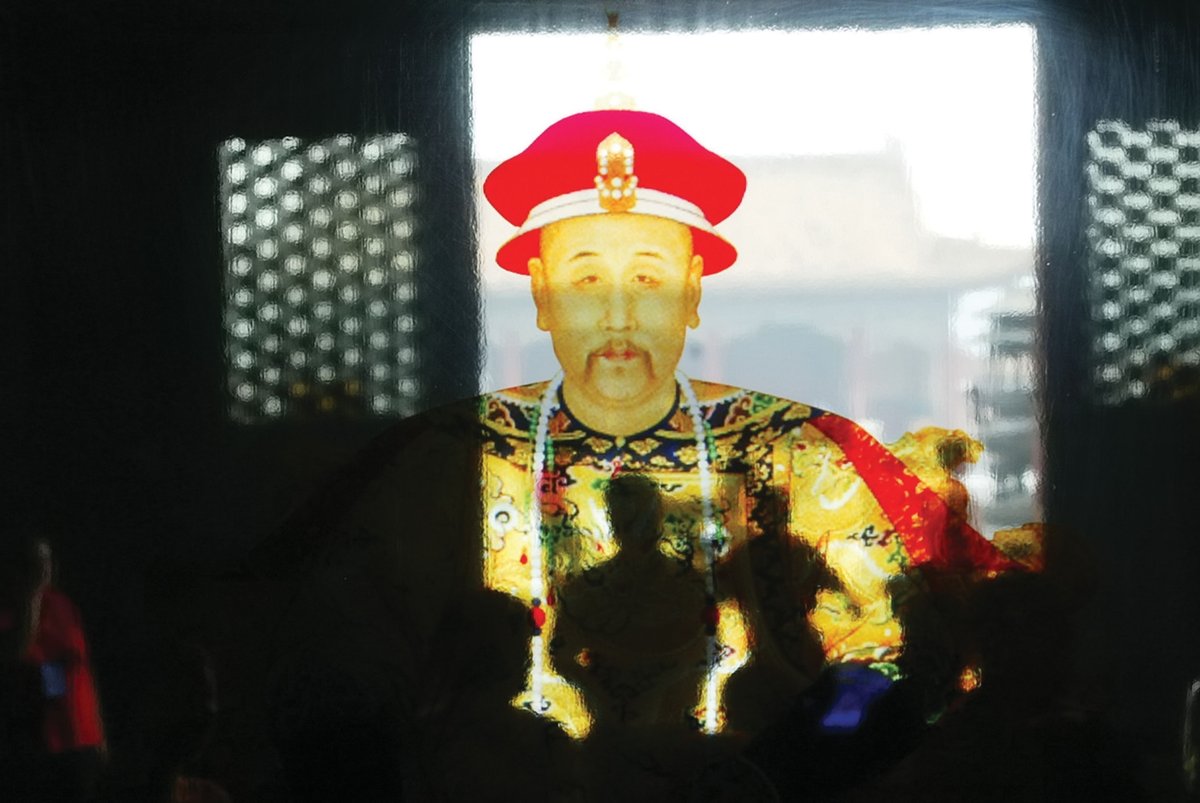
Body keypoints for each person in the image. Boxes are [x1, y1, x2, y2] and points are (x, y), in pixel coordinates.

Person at [304, 108, 1041, 797]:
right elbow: (349, 670)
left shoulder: (803, 456)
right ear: (538, 292)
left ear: (693, 290)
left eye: (650, 279)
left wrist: (788, 756)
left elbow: (892, 657)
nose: (620, 312)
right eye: (586, 277)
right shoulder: (443, 462)